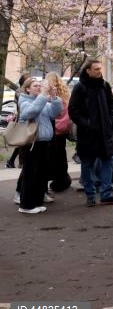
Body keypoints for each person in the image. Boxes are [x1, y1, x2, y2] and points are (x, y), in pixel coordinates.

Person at [68, 60, 113, 207]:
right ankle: (90, 194)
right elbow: (73, 110)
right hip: (88, 134)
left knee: (108, 161)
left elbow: (112, 105)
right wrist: (87, 124)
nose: (100, 71)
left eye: (100, 68)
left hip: (105, 133)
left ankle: (106, 194)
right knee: (87, 164)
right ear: (88, 70)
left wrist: (111, 121)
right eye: (96, 69)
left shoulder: (104, 85)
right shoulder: (80, 87)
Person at [15, 78, 63, 213]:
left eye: (40, 85)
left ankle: (36, 202)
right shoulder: (24, 100)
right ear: (27, 89)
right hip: (31, 143)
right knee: (30, 174)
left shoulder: (42, 101)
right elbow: (29, 113)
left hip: (44, 142)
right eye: (35, 86)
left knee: (41, 174)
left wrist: (54, 98)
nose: (38, 87)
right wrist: (43, 95)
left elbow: (55, 114)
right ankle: (26, 205)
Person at [46, 72, 73, 193]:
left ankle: (58, 180)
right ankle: (64, 178)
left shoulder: (51, 95)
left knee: (53, 157)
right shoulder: (66, 94)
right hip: (64, 129)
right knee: (61, 155)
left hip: (53, 129)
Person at [6, 72, 29, 169]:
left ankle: (12, 161)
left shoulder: (24, 91)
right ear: (23, 82)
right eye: (28, 79)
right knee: (22, 141)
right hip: (22, 119)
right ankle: (20, 162)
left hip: (25, 118)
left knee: (22, 141)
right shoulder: (20, 92)